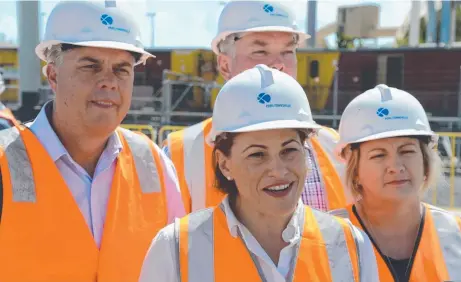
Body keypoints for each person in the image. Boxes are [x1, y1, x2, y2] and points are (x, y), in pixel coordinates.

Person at [139, 64, 379, 282]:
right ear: (225, 164)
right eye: (257, 155)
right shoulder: (174, 249)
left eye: (289, 151)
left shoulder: (349, 245)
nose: (278, 170)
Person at [0, 1, 185, 281]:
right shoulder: (5, 161)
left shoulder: (153, 164)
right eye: (90, 66)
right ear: (53, 75)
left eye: (122, 69)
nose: (109, 82)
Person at [165, 0, 348, 214]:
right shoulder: (181, 153)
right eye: (260, 52)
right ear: (225, 65)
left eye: (288, 51)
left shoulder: (335, 148)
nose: (278, 64)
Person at [330, 84, 461, 281]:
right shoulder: (325, 238)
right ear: (354, 168)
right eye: (379, 155)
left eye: (407, 151)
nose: (396, 166)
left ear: (425, 160)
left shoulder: (455, 233)